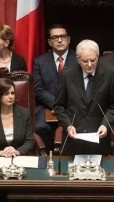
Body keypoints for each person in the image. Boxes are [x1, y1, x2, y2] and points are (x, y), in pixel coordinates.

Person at [53, 39, 114, 155]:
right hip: (73, 139)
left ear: (98, 57)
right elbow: (59, 106)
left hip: (99, 138)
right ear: (78, 59)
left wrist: (106, 124)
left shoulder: (111, 74)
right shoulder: (66, 75)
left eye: (93, 60)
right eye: (85, 61)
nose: (89, 64)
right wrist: (68, 125)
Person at [33, 24, 77, 152]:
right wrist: (56, 105)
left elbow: (82, 87)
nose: (59, 40)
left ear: (69, 39)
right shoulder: (39, 61)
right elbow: (38, 89)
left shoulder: (79, 59)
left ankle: (70, 156)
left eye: (62, 37)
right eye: (55, 37)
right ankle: (47, 158)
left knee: (78, 125)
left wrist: (63, 107)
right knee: (40, 127)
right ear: (49, 42)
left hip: (72, 106)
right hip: (46, 106)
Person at [0, 77, 34, 156]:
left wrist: (17, 151)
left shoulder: (25, 113)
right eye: (6, 94)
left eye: (12, 93)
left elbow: (30, 141)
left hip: (20, 157)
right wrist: (1, 153)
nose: (11, 97)